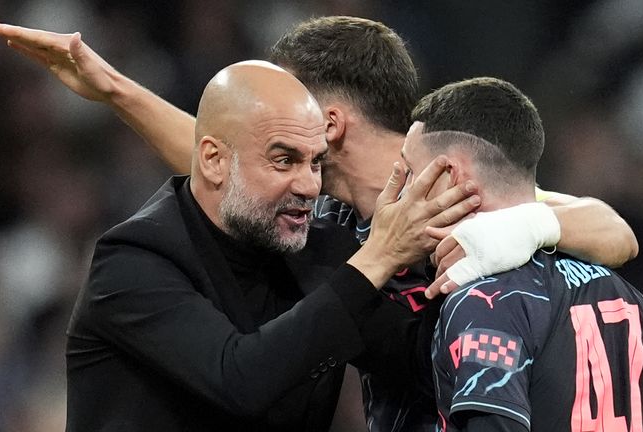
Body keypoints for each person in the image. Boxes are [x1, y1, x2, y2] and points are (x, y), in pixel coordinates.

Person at [0, 16, 640, 432]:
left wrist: (504, 231)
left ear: (324, 123)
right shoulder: (316, 223)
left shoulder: (445, 188)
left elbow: (612, 230)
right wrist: (116, 91)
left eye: (293, 115)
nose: (294, 169)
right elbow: (224, 160)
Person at [64, 59, 480, 431]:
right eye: (285, 160)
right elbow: (239, 381)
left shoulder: (318, 255)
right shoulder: (132, 262)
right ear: (213, 161)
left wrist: (496, 237)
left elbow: (419, 360)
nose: (310, 186)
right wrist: (379, 255)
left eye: (316, 161)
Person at [403, 77, 643, 431]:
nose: (404, 195)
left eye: (411, 174)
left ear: (450, 173)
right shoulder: (626, 297)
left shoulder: (482, 302)